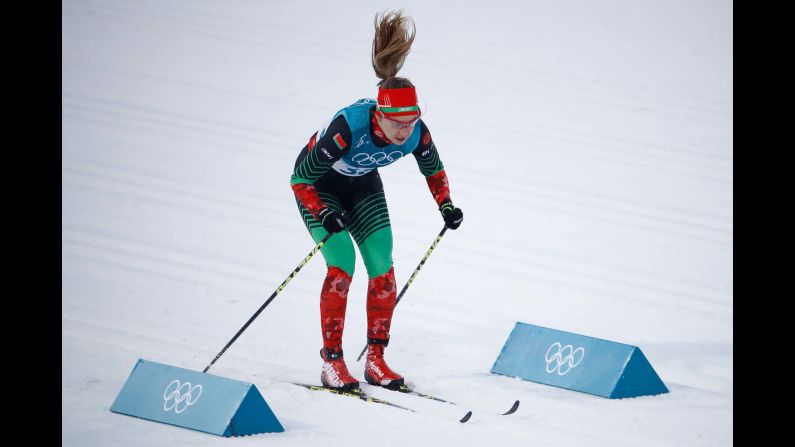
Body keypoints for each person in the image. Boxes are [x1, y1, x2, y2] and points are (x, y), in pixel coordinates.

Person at [289, 10, 463, 392]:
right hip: (320, 188)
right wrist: (322, 213)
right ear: (379, 116)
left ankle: (375, 360)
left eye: (411, 121)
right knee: (342, 267)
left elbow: (434, 171)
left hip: (362, 188)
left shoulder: (416, 133)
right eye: (397, 123)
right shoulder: (349, 127)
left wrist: (446, 206)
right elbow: (300, 177)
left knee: (383, 271)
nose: (405, 131)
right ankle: (331, 363)